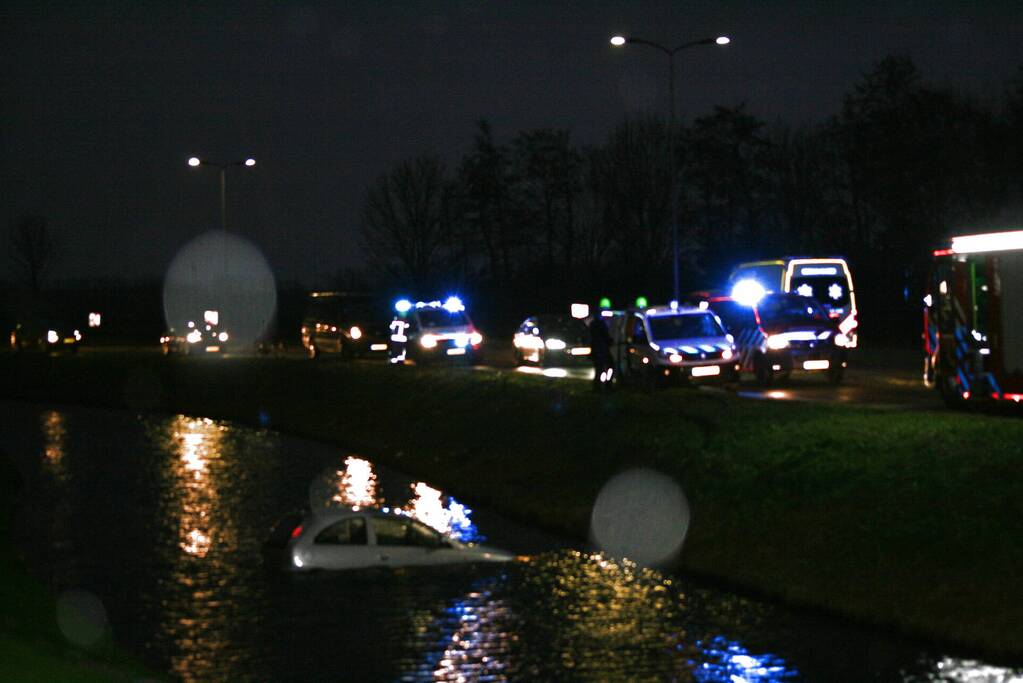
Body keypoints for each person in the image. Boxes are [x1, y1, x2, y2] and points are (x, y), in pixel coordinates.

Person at [588, 312, 614, 391]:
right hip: (602, 349)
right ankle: (607, 385)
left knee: (599, 369)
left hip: (596, 349)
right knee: (609, 367)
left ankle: (597, 387)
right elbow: (605, 335)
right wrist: (610, 341)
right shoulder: (601, 324)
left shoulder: (592, 324)